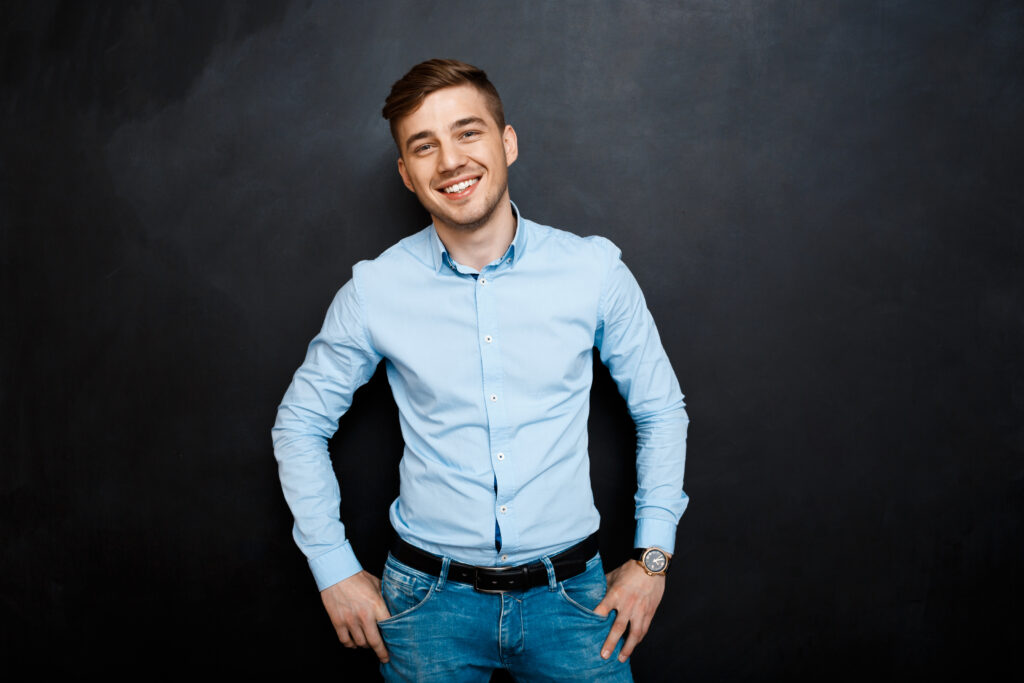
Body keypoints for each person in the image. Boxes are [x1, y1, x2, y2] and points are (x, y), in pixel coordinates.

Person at [272, 58, 689, 682]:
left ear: (507, 142)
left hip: (574, 601)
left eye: (467, 132)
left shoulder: (593, 271)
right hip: (426, 607)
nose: (449, 161)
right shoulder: (374, 289)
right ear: (407, 175)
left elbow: (660, 410)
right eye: (424, 146)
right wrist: (331, 565)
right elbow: (299, 424)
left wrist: (652, 559)